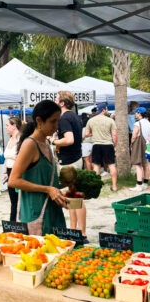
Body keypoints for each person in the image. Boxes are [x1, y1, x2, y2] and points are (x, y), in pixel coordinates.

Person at [8, 100, 68, 235]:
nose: (56, 126)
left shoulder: (46, 142)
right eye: (53, 121)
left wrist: (61, 185)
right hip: (36, 214)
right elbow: (13, 181)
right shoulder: (30, 144)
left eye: (58, 121)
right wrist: (48, 189)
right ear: (39, 121)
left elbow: (42, 178)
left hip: (52, 212)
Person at [53, 91, 88, 243]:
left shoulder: (64, 118)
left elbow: (70, 139)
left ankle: (82, 233)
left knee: (76, 198)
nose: (54, 99)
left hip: (70, 161)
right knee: (72, 198)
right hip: (74, 159)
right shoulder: (74, 116)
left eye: (56, 98)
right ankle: (74, 230)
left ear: (62, 103)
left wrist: (54, 142)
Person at [85, 103, 118, 192]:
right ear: (104, 110)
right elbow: (114, 135)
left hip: (96, 145)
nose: (107, 110)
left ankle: (97, 186)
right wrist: (114, 145)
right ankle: (114, 187)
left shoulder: (91, 120)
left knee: (96, 166)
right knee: (111, 165)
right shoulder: (110, 120)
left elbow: (86, 134)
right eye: (106, 108)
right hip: (108, 144)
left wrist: (94, 133)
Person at [3, 117, 22, 221]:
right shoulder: (10, 139)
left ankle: (16, 223)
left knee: (19, 200)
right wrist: (5, 172)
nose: (6, 128)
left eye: (7, 125)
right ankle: (13, 224)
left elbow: (20, 157)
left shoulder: (21, 139)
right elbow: (7, 157)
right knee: (13, 201)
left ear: (14, 126)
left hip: (18, 172)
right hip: (10, 172)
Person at [130, 107, 150, 191]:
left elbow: (134, 135)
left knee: (138, 165)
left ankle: (139, 185)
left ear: (139, 113)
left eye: (136, 113)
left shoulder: (138, 124)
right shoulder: (148, 122)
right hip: (147, 145)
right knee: (146, 165)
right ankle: (145, 183)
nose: (135, 114)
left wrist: (131, 144)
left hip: (139, 146)